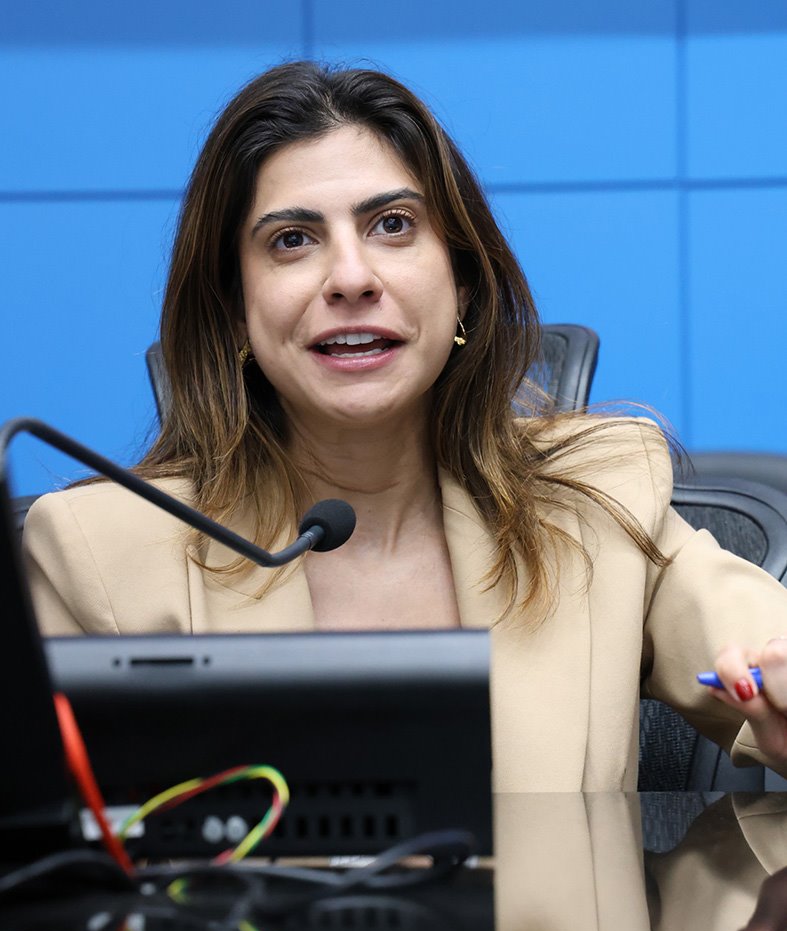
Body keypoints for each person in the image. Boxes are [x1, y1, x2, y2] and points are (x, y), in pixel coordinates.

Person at [22, 60, 787, 794]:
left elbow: (756, 641)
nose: (351, 278)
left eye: (392, 225)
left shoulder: (592, 502)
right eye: (292, 240)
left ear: (462, 282)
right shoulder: (100, 555)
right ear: (233, 309)